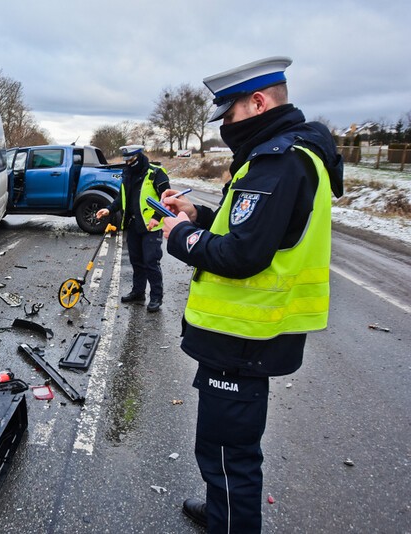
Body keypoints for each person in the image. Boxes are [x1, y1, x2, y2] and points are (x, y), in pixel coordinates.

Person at [159, 56, 343, 532]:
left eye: (231, 116)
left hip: (244, 336)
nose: (227, 129)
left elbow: (242, 254)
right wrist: (197, 215)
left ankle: (231, 520)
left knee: (228, 451)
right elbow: (248, 225)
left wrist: (179, 235)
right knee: (226, 446)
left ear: (258, 102)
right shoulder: (283, 155)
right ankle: (223, 511)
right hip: (246, 335)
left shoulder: (277, 162)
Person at [96, 146, 170, 311]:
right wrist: (109, 209)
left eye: (131, 160)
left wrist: (156, 217)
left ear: (138, 156)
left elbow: (167, 199)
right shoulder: (127, 173)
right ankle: (138, 292)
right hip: (133, 224)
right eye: (126, 160)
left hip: (151, 226)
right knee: (136, 261)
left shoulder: (156, 173)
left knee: (151, 261)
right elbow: (122, 197)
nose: (128, 163)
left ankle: (156, 297)